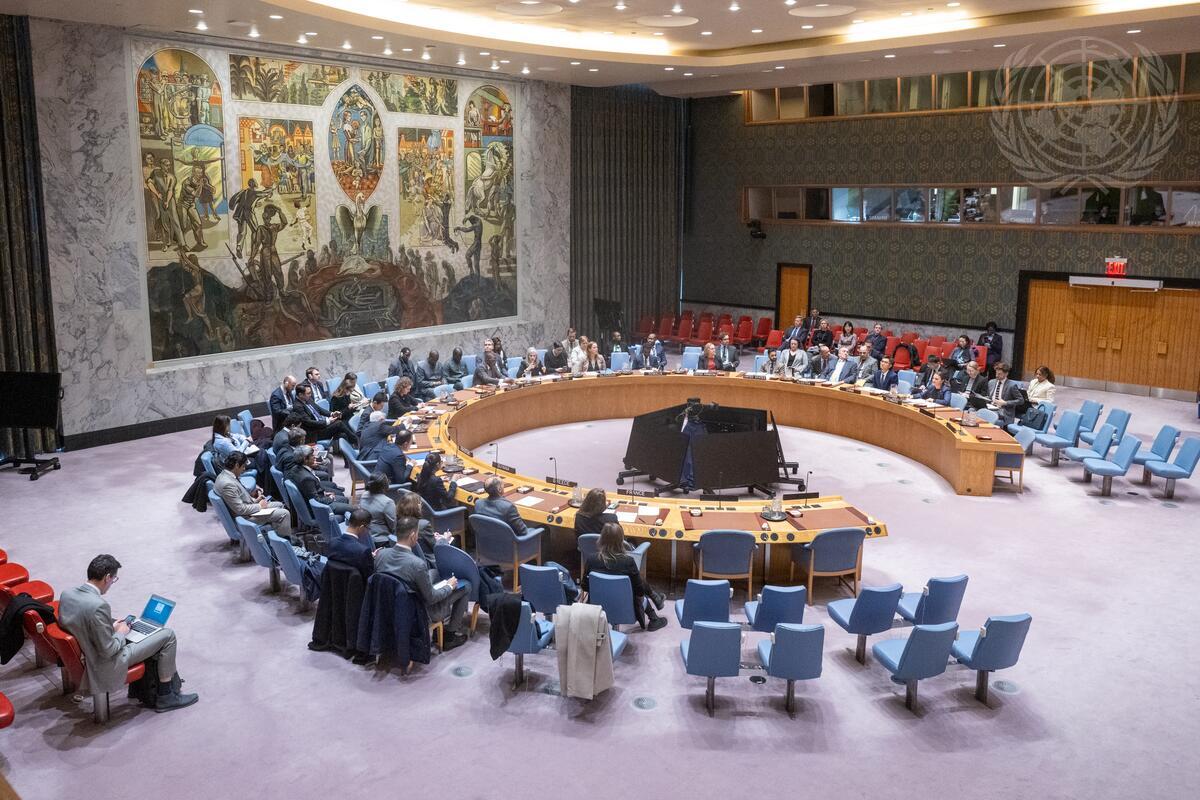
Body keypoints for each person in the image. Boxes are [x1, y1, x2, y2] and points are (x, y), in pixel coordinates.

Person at [58, 555, 198, 713]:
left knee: (140, 633)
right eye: (114, 579)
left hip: (86, 652)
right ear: (107, 577)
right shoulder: (98, 605)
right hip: (105, 663)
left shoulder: (67, 594)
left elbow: (79, 622)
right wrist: (121, 632)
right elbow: (108, 651)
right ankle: (166, 696)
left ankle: (149, 687)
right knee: (167, 635)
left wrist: (110, 626)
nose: (112, 583)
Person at [375, 516, 470, 650]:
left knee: (434, 573)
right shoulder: (418, 564)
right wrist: (450, 586)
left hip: (389, 607)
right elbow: (431, 598)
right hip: (418, 612)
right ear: (413, 536)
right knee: (466, 586)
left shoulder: (380, 555)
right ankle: (450, 636)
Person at [581, 524, 666, 632]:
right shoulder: (628, 562)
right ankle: (654, 615)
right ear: (621, 540)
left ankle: (655, 607)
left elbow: (585, 586)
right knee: (637, 585)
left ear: (601, 539)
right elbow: (639, 591)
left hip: (597, 606)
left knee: (636, 583)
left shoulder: (591, 560)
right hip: (625, 607)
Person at [214, 452, 293, 539]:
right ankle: (283, 543)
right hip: (246, 518)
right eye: (243, 466)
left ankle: (275, 537)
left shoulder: (224, 475)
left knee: (280, 505)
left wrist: (256, 500)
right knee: (284, 514)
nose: (244, 469)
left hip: (247, 510)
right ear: (237, 465)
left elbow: (239, 498)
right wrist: (260, 506)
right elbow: (240, 509)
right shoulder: (227, 484)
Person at [289, 445, 354, 516]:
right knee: (355, 509)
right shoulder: (307, 478)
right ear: (305, 459)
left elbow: (310, 492)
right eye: (312, 455)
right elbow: (315, 500)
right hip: (319, 508)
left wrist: (324, 493)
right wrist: (330, 498)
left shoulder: (295, 468)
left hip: (317, 498)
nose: (314, 457)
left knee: (344, 499)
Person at [294, 384, 358, 447]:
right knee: (339, 424)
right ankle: (358, 441)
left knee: (342, 433)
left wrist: (332, 414)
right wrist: (327, 421)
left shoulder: (307, 399)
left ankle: (351, 446)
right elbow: (309, 422)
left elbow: (319, 409)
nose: (310, 395)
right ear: (300, 395)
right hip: (314, 433)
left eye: (310, 392)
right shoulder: (297, 407)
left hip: (321, 426)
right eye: (308, 393)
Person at [327, 508, 375, 579]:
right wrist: (371, 559)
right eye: (368, 528)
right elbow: (369, 578)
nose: (368, 531)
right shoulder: (363, 551)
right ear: (361, 528)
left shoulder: (332, 543)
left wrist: (368, 556)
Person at [357, 472, 397, 545]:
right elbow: (394, 526)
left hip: (365, 537)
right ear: (384, 486)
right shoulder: (387, 502)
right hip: (382, 541)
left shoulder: (364, 495)